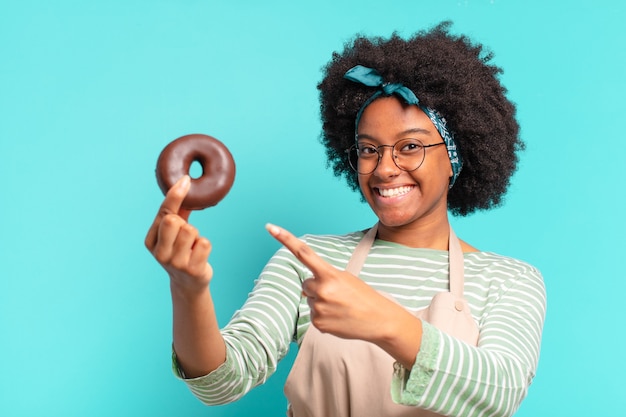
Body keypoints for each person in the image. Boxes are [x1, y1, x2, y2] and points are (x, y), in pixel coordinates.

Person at [145, 21, 546, 417]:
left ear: (456, 159)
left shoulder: (509, 280)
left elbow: (501, 391)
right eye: (368, 150)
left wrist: (385, 321)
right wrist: (187, 288)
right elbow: (220, 384)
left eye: (410, 146)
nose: (385, 168)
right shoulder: (307, 260)